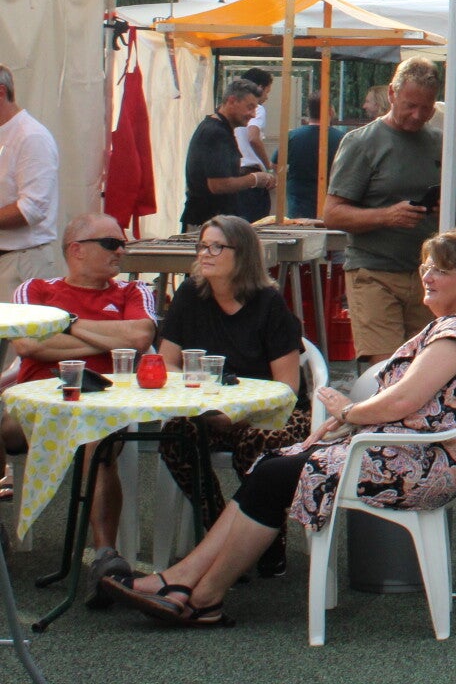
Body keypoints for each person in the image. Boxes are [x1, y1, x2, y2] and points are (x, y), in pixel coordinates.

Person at [103, 229, 456, 629]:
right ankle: (183, 582)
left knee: (274, 473)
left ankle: (201, 594)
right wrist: (349, 417)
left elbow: (403, 401)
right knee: (271, 467)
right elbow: (407, 403)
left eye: (440, 270)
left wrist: (347, 411)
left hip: (424, 464)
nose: (428, 277)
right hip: (406, 451)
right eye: (426, 267)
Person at [155, 215, 310, 579]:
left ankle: (268, 541)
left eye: (216, 247)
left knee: (257, 443)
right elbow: (165, 363)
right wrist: (198, 395)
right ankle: (220, 536)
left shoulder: (268, 303)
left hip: (271, 414)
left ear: (242, 255)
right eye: (202, 246)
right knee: (176, 437)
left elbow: (287, 387)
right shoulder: (190, 295)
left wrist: (239, 414)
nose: (205, 254)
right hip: (209, 409)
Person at [1, 214, 154, 581]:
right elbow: (28, 344)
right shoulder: (35, 289)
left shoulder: (134, 291)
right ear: (76, 250)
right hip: (36, 409)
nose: (121, 251)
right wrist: (108, 338)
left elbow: (139, 337)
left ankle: (105, 556)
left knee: (96, 436)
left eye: (123, 244)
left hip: (102, 406)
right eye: (111, 243)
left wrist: (67, 324)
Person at [325, 58, 456, 365]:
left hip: (427, 274)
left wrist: (449, 208)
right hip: (373, 271)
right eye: (410, 106)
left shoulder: (440, 142)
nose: (417, 115)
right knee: (388, 367)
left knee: (424, 365)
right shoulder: (361, 143)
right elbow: (333, 214)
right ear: (392, 94)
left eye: (426, 108)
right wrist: (386, 216)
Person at [0, 62, 61, 302]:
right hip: (9, 258)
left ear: (1, 92)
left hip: (21, 262)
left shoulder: (31, 136)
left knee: (22, 328)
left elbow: (31, 209)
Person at [183, 78, 273, 231]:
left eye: (255, 109)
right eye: (249, 107)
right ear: (232, 101)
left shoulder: (221, 129)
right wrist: (255, 178)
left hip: (214, 220)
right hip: (207, 224)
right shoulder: (216, 133)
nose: (252, 115)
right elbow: (218, 185)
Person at [284, 96, 346, 221]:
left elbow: (276, 164)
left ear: (308, 111)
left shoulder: (293, 136)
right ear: (330, 111)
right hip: (330, 201)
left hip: (298, 203)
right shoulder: (342, 139)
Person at [233, 67, 276, 222]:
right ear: (260, 88)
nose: (267, 97)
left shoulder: (232, 108)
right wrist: (268, 166)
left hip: (232, 172)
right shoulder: (257, 109)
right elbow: (253, 137)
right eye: (267, 92)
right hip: (250, 174)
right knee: (256, 224)